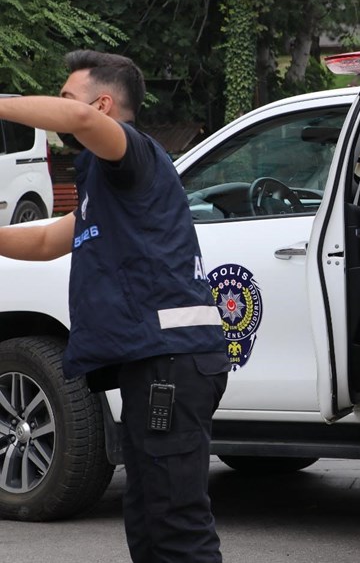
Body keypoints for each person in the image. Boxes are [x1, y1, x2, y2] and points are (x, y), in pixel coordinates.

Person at [0, 50, 229, 563]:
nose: (57, 107)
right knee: (148, 523)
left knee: (176, 527)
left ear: (103, 105)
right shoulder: (102, 186)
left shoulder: (134, 156)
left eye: (63, 96)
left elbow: (78, 119)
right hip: (152, 364)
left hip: (170, 360)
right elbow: (42, 243)